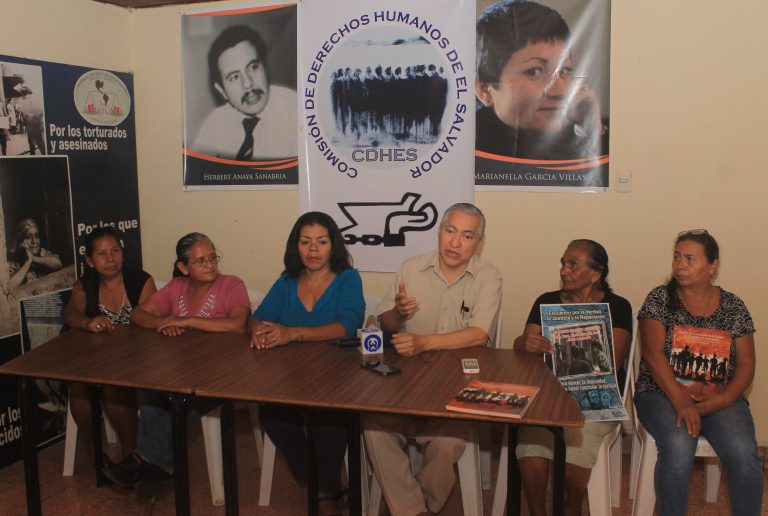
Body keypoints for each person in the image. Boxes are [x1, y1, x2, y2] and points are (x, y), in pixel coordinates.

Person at [364, 202, 502, 516]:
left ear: (478, 243)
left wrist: (425, 342)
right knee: (372, 426)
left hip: (457, 385)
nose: (455, 242)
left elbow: (479, 334)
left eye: (467, 236)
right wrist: (398, 313)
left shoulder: (488, 276)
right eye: (450, 231)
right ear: (439, 231)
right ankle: (414, 510)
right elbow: (384, 324)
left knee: (447, 442)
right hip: (407, 384)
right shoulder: (410, 268)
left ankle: (422, 503)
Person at [102, 232, 250, 502]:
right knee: (152, 392)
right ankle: (157, 467)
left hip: (222, 376)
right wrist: (163, 322)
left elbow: (237, 324)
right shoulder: (176, 287)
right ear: (183, 267)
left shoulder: (231, 285)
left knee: (185, 400)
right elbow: (137, 314)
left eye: (213, 257)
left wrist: (185, 321)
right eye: (200, 260)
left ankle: (143, 461)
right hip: (182, 371)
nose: (210, 264)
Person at [634, 230, 763, 516]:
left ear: (713, 266)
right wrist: (681, 401)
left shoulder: (734, 306)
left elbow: (746, 363)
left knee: (743, 453)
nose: (680, 265)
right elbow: (653, 355)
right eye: (677, 257)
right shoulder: (659, 299)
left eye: (690, 259)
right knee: (679, 445)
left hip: (719, 395)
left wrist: (725, 398)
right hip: (662, 393)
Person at [250, 211, 364, 515]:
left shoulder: (348, 278)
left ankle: (325, 492)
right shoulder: (287, 280)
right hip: (290, 375)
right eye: (305, 242)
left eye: (321, 242)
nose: (313, 249)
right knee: (272, 415)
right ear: (296, 246)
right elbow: (258, 317)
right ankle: (321, 482)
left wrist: (293, 333)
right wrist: (258, 330)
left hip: (337, 373)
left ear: (333, 245)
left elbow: (347, 327)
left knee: (328, 419)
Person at [512, 239, 631, 516]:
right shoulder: (546, 301)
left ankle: (571, 505)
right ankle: (537, 511)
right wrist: (524, 342)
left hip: (596, 395)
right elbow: (523, 347)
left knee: (579, 437)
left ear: (596, 273)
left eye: (573, 264)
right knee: (531, 438)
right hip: (548, 395)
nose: (564, 270)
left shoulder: (617, 307)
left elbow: (614, 361)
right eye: (563, 263)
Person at [64, 227, 156, 465]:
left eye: (115, 251)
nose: (111, 259)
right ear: (90, 261)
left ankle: (130, 455)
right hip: (97, 359)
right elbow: (71, 314)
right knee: (79, 390)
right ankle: (96, 457)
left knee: (114, 390)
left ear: (122, 253)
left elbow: (150, 321)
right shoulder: (85, 285)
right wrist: (87, 322)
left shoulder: (141, 280)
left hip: (137, 357)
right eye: (102, 254)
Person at [475, 0, 606, 160]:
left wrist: (592, 130)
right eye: (534, 72)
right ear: (484, 90)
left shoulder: (574, 133)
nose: (561, 91)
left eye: (564, 71)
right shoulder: (463, 147)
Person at [193, 25, 297, 161]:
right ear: (222, 91)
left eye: (253, 67)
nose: (248, 83)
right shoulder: (215, 123)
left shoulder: (295, 111)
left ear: (264, 67)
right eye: (235, 77)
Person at [8, 218, 63, 288]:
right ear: (20, 242)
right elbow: (9, 286)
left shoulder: (42, 253)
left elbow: (58, 264)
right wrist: (28, 262)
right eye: (28, 237)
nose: (34, 241)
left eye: (36, 236)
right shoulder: (13, 263)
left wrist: (33, 258)